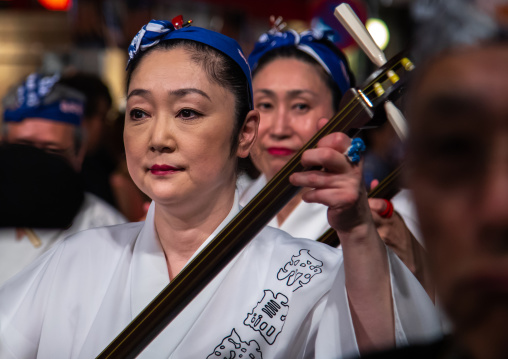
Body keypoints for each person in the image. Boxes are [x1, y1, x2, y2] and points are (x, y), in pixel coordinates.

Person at [0, 19, 439, 358]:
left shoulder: (307, 272)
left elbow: (386, 346)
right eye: (139, 113)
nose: (158, 137)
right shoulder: (79, 258)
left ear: (246, 132)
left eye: (188, 112)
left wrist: (359, 232)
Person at [241, 27, 433, 297]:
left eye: (300, 106)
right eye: (266, 105)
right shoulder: (223, 210)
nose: (279, 128)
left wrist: (413, 261)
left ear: (339, 116)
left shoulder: (396, 213)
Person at [0, 73, 126, 286]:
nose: (35, 162)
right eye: (23, 148)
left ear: (78, 153)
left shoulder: (107, 231)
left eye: (52, 151)